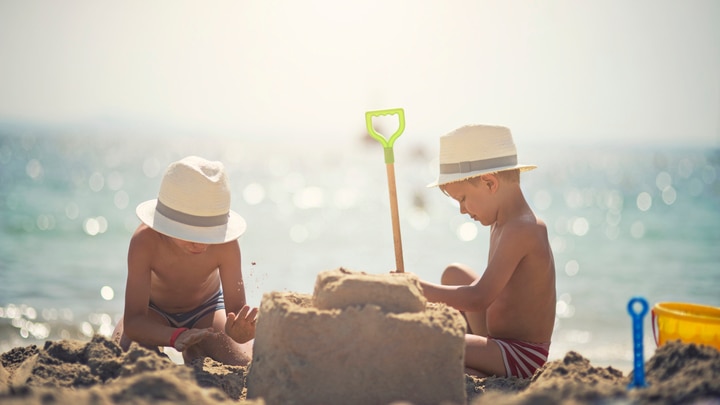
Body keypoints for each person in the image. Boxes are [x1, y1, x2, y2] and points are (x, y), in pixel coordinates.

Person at [419, 124, 556, 379]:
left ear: (489, 183)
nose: (461, 209)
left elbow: (479, 298)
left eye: (462, 199)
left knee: (434, 343)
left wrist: (416, 288)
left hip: (519, 355)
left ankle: (473, 366)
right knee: (454, 274)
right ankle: (471, 359)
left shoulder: (523, 229)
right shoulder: (500, 221)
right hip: (497, 337)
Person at [112, 155, 258, 365]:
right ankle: (190, 346)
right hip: (153, 313)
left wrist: (241, 333)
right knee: (124, 354)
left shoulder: (227, 245)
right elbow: (134, 321)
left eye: (209, 235)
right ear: (165, 224)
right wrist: (175, 336)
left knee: (241, 361)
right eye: (191, 234)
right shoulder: (145, 242)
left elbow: (235, 315)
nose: (200, 244)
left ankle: (196, 350)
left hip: (206, 311)